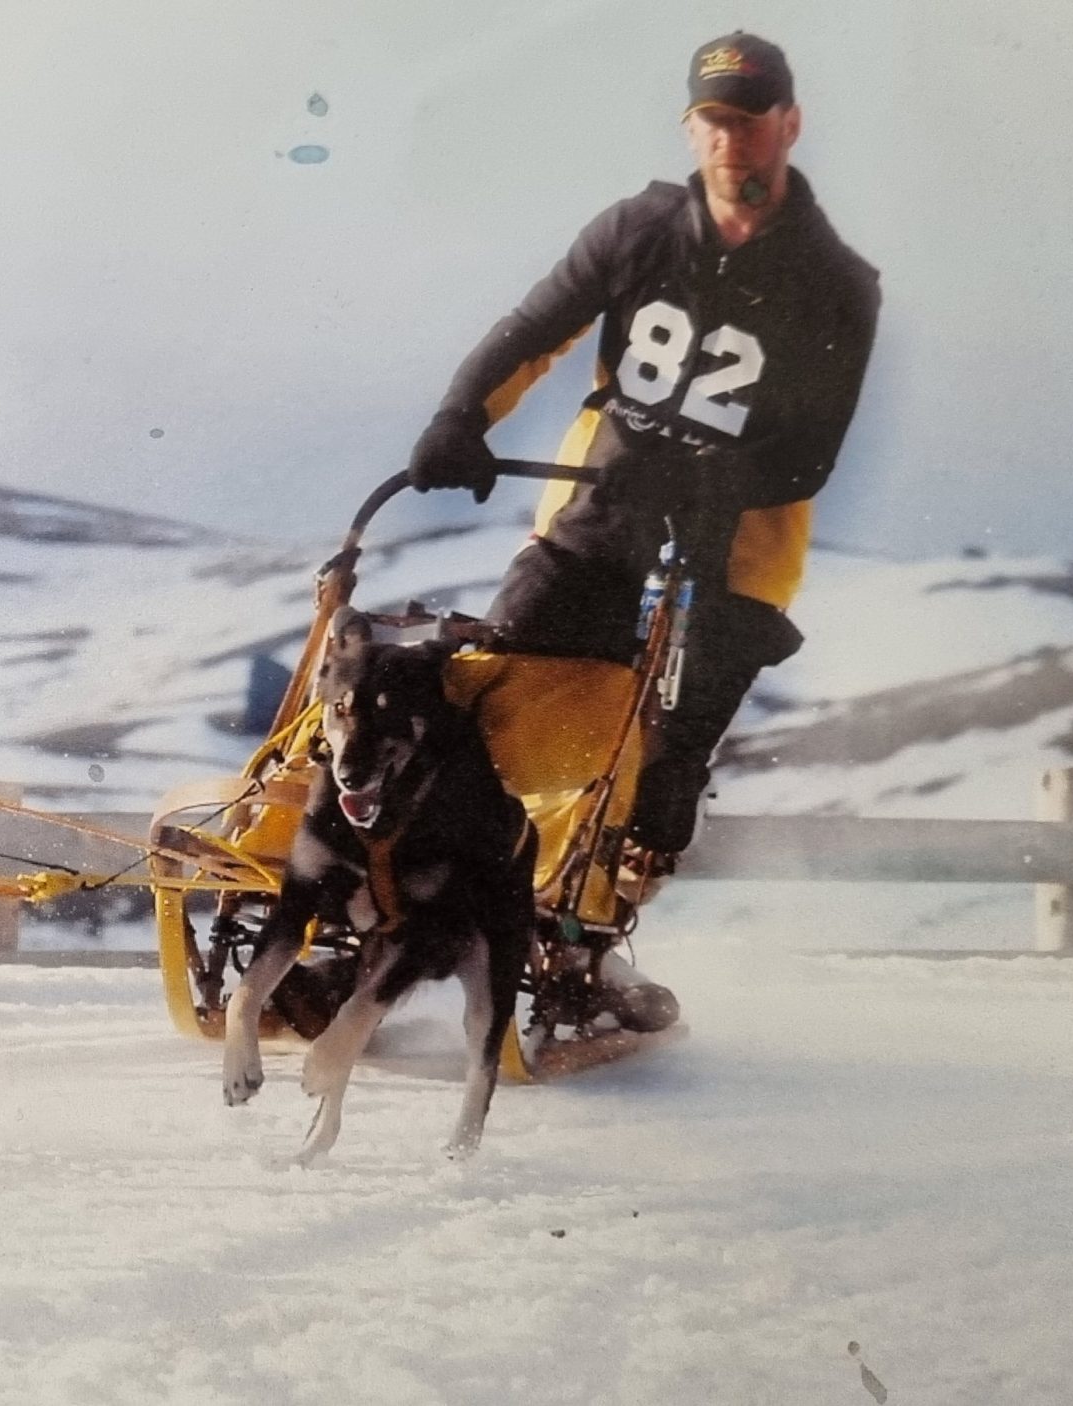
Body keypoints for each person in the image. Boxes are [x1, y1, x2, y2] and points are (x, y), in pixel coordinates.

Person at [405, 32, 880, 1026]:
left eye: (750, 119)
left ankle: (584, 951)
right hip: (604, 499)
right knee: (509, 692)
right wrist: (460, 415)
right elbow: (534, 331)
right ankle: (439, 906)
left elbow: (814, 448)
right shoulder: (638, 229)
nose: (731, 138)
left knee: (657, 769)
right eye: (714, 118)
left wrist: (725, 476)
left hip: (740, 541)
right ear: (690, 126)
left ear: (788, 125)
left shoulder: (835, 280)